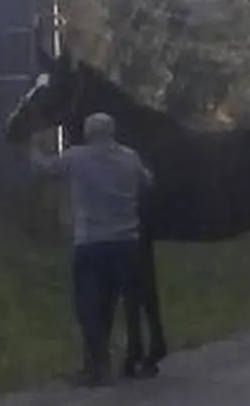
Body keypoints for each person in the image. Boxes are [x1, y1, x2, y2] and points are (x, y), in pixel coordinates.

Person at [28, 112, 155, 387]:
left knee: (89, 306)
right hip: (126, 242)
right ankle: (137, 357)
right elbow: (148, 182)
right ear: (112, 132)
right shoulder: (129, 157)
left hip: (91, 243)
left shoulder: (77, 157)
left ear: (88, 133)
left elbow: (44, 170)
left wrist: (34, 149)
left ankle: (96, 366)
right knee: (122, 303)